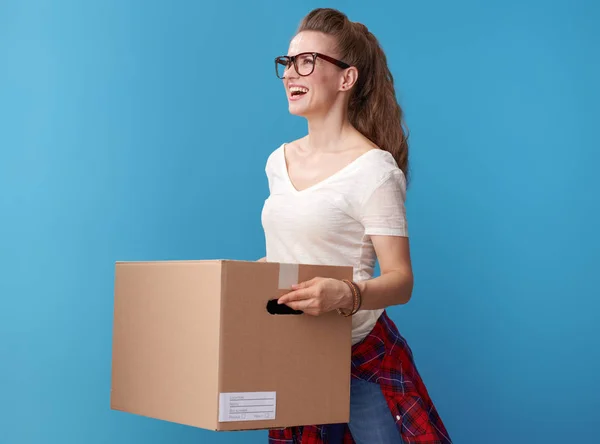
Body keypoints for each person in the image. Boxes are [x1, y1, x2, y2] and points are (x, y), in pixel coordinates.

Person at [259, 8, 452, 444]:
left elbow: (401, 281)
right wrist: (232, 282)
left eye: (307, 61)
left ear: (346, 79)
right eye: (288, 63)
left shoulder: (374, 170)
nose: (292, 73)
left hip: (363, 359)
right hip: (296, 354)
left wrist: (346, 294)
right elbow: (285, 254)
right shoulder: (278, 161)